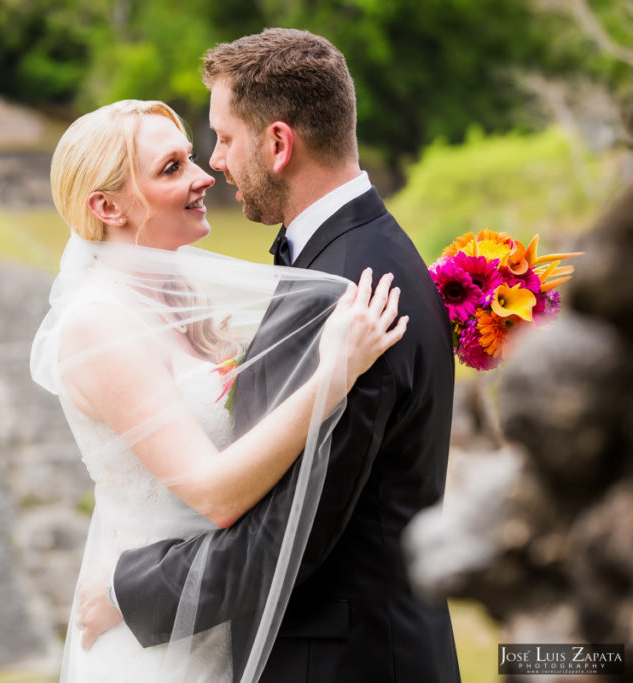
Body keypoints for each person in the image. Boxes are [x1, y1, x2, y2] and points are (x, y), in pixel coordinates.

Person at [78, 29, 462, 683]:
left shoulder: (349, 293)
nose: (216, 163)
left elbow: (293, 527)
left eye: (224, 138)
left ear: (279, 143)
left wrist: (129, 590)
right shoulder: (357, 257)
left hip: (349, 658)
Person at [30, 97, 407, 682]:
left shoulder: (186, 292)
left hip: (220, 607)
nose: (206, 174)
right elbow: (215, 493)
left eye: (190, 157)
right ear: (107, 206)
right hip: (154, 639)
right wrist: (335, 374)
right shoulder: (97, 324)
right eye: (172, 168)